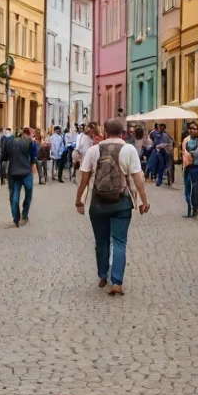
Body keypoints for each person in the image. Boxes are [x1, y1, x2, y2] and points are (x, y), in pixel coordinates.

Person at [75, 117, 151, 296]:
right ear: (122, 133)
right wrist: (143, 201)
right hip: (122, 202)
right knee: (120, 242)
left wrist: (79, 200)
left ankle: (103, 274)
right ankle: (117, 281)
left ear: (105, 132)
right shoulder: (129, 149)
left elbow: (84, 179)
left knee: (101, 242)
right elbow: (137, 179)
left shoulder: (94, 150)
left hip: (98, 203)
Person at [3, 126, 37, 227]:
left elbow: (4, 156)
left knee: (15, 197)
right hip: (23, 172)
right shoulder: (29, 143)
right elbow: (34, 155)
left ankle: (17, 217)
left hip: (16, 172)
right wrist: (33, 165)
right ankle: (22, 215)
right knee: (27, 193)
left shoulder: (10, 142)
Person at [181, 121, 198, 219]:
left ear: (197, 130)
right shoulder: (186, 140)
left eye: (194, 128)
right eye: (191, 128)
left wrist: (189, 153)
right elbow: (184, 152)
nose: (192, 130)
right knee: (187, 189)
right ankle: (189, 208)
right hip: (188, 166)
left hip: (197, 167)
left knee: (195, 190)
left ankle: (195, 208)